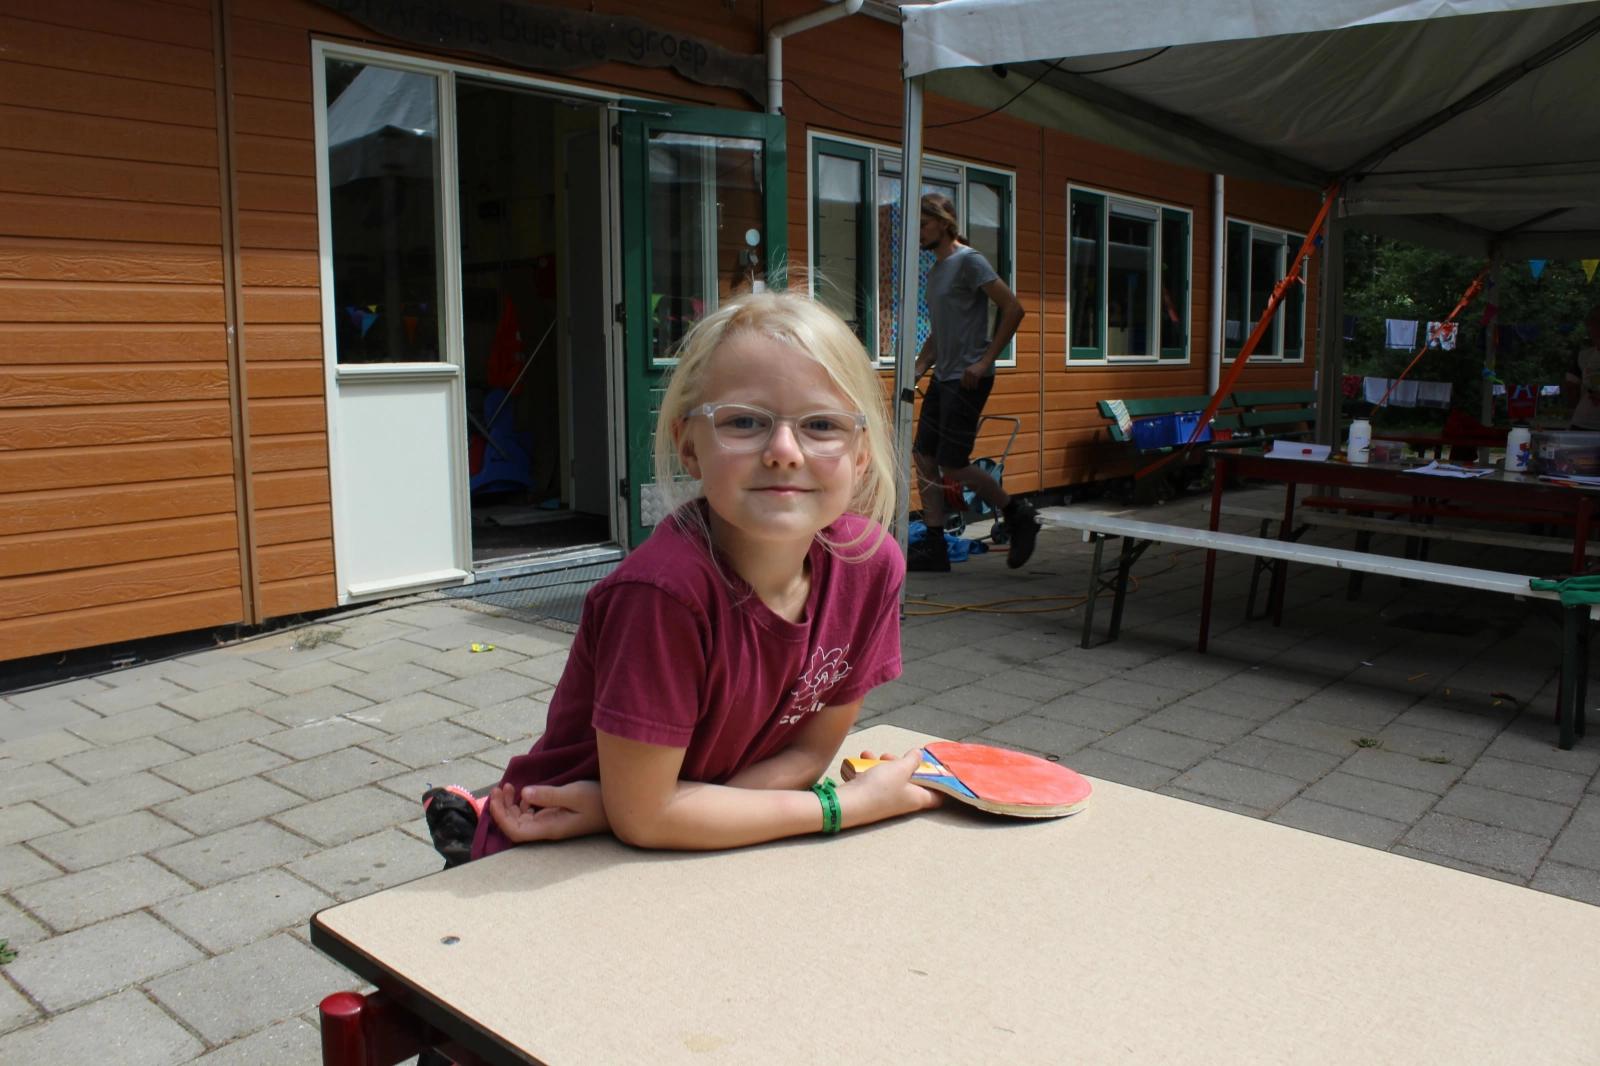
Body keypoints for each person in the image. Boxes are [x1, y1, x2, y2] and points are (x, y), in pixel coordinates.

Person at [429, 291, 940, 863]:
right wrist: (846, 807)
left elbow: (804, 759)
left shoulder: (870, 567)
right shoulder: (663, 595)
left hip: (664, 836)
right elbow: (649, 819)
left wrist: (641, 807)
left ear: (862, 453)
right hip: (555, 855)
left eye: (822, 424)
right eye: (744, 422)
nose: (784, 451)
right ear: (689, 448)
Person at [907, 192, 1039, 572]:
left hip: (968, 378)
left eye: (923, 223)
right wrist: (919, 365)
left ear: (944, 222)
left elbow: (1013, 307)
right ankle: (935, 547)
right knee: (924, 457)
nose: (918, 231)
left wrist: (984, 362)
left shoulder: (969, 261)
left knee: (952, 464)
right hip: (943, 374)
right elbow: (940, 330)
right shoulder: (935, 270)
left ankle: (1018, 513)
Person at [1562, 306, 1600, 430]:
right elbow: (1572, 402)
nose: (1597, 341)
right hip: (1582, 424)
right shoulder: (1583, 356)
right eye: (1594, 337)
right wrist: (1570, 389)